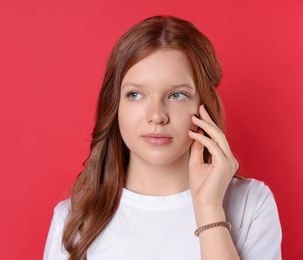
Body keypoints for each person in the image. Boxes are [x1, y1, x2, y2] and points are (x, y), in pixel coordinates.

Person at [43, 15, 282, 260]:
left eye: (177, 95)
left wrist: (209, 209)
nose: (157, 116)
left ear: (204, 106)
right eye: (136, 95)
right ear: (115, 105)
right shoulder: (74, 219)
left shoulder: (251, 204)